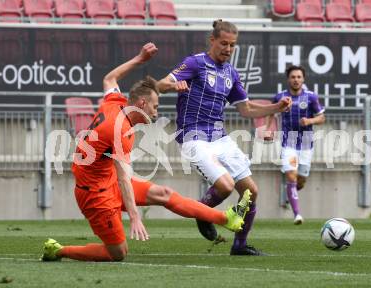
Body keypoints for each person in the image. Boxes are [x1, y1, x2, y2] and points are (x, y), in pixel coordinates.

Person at [41, 43, 251, 262]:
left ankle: (226, 218)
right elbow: (124, 178)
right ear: (142, 103)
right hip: (95, 194)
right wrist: (134, 217)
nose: (156, 111)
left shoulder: (116, 102)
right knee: (118, 253)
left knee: (164, 194)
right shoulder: (120, 130)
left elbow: (109, 79)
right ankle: (58, 250)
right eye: (155, 106)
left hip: (106, 179)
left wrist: (140, 59)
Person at [157, 20, 292, 256]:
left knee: (251, 191)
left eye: (232, 45)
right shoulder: (195, 63)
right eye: (223, 44)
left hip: (219, 137)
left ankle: (239, 245)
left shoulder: (231, 72)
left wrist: (276, 107)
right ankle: (202, 212)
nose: (228, 49)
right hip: (193, 136)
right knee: (225, 185)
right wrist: (172, 86)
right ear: (212, 41)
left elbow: (246, 109)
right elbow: (160, 85)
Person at [265, 65, 325, 225]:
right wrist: (269, 130)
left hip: (306, 145)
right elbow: (271, 112)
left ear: (303, 79)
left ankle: (288, 195)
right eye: (293, 77)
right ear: (288, 79)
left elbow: (321, 118)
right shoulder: (281, 97)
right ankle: (297, 214)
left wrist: (310, 121)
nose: (296, 80)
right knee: (291, 175)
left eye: (299, 77)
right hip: (288, 144)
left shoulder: (311, 97)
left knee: (301, 180)